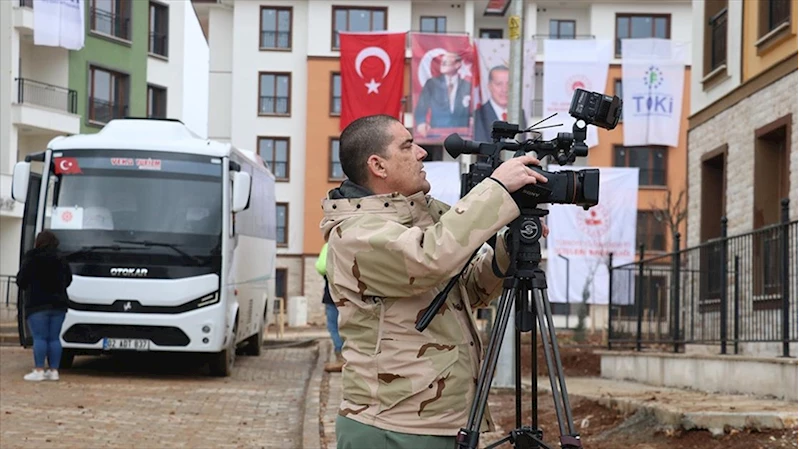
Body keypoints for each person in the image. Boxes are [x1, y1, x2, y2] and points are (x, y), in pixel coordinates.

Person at [320, 114, 549, 448]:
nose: (421, 153)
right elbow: (429, 259)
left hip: (444, 421)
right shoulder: (355, 233)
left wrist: (507, 251)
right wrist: (496, 190)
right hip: (393, 427)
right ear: (378, 165)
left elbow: (468, 289)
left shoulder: (423, 216)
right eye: (407, 146)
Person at [15, 230, 72, 382]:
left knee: (40, 337)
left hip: (37, 304)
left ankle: (39, 370)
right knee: (54, 338)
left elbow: (21, 280)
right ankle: (54, 371)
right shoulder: (61, 258)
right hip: (58, 304)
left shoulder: (32, 257)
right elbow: (68, 279)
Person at [413, 52, 472, 138]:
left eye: (446, 61)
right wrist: (421, 123)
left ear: (458, 65)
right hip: (436, 134)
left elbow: (473, 109)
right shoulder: (432, 84)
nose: (443, 64)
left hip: (461, 135)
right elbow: (421, 108)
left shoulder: (467, 86)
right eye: (442, 61)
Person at [473, 65, 527, 143]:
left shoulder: (520, 113)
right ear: (489, 86)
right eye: (499, 84)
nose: (504, 89)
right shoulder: (478, 115)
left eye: (509, 84)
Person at [316, 242, 345, 372]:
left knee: (333, 326)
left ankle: (341, 356)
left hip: (332, 295)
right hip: (349, 295)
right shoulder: (350, 242)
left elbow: (321, 267)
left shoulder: (329, 245)